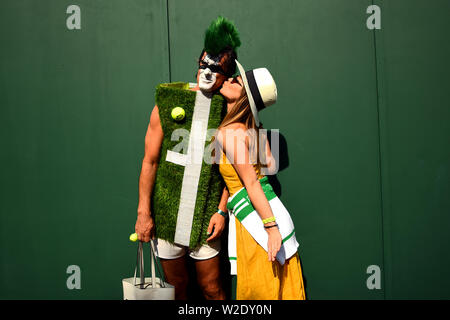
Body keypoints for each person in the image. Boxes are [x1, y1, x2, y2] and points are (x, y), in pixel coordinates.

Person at [134, 17, 241, 300]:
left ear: (227, 74)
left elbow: (238, 169)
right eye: (203, 65)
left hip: (207, 215)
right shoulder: (167, 103)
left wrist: (221, 211)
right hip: (167, 214)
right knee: (177, 289)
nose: (206, 72)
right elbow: (150, 161)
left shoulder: (230, 110)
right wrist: (143, 212)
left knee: (211, 289)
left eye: (215, 68)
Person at [214, 60, 306, 300]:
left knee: (262, 294)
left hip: (260, 223)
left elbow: (252, 183)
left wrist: (271, 227)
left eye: (237, 80)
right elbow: (269, 167)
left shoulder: (229, 132)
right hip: (268, 212)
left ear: (244, 97)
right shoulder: (249, 129)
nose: (231, 78)